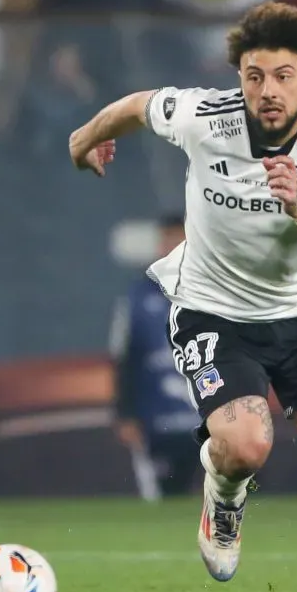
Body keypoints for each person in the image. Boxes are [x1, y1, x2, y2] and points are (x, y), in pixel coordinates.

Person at [69, 1, 297, 592]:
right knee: (244, 445)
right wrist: (86, 137)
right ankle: (225, 497)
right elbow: (137, 105)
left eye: (283, 76)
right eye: (254, 75)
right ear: (239, 76)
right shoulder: (205, 116)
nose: (267, 90)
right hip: (213, 312)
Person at [109, 214, 204, 500]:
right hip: (159, 421)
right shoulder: (137, 297)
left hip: (210, 417)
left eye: (181, 239)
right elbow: (125, 358)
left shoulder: (217, 293)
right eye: (168, 239)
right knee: (167, 500)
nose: (174, 246)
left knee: (232, 494)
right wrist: (125, 413)